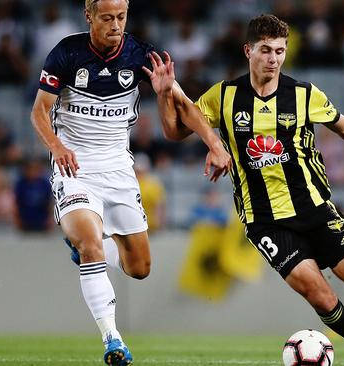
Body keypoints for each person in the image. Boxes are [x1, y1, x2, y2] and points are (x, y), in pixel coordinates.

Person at [155, 14, 344, 366]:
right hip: (264, 219)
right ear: (248, 50)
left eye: (280, 51)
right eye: (265, 50)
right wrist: (164, 96)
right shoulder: (224, 96)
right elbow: (175, 131)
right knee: (318, 293)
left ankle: (320, 258)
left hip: (313, 206)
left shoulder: (303, 95)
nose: (273, 59)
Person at [29, 1, 231, 365]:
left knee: (138, 268)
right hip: (75, 166)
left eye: (121, 17)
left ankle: (86, 250)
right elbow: (39, 111)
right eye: (107, 18)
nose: (115, 25)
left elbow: (183, 110)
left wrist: (211, 140)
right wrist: (57, 147)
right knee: (91, 244)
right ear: (89, 16)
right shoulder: (66, 53)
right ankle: (113, 339)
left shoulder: (141, 54)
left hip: (120, 169)